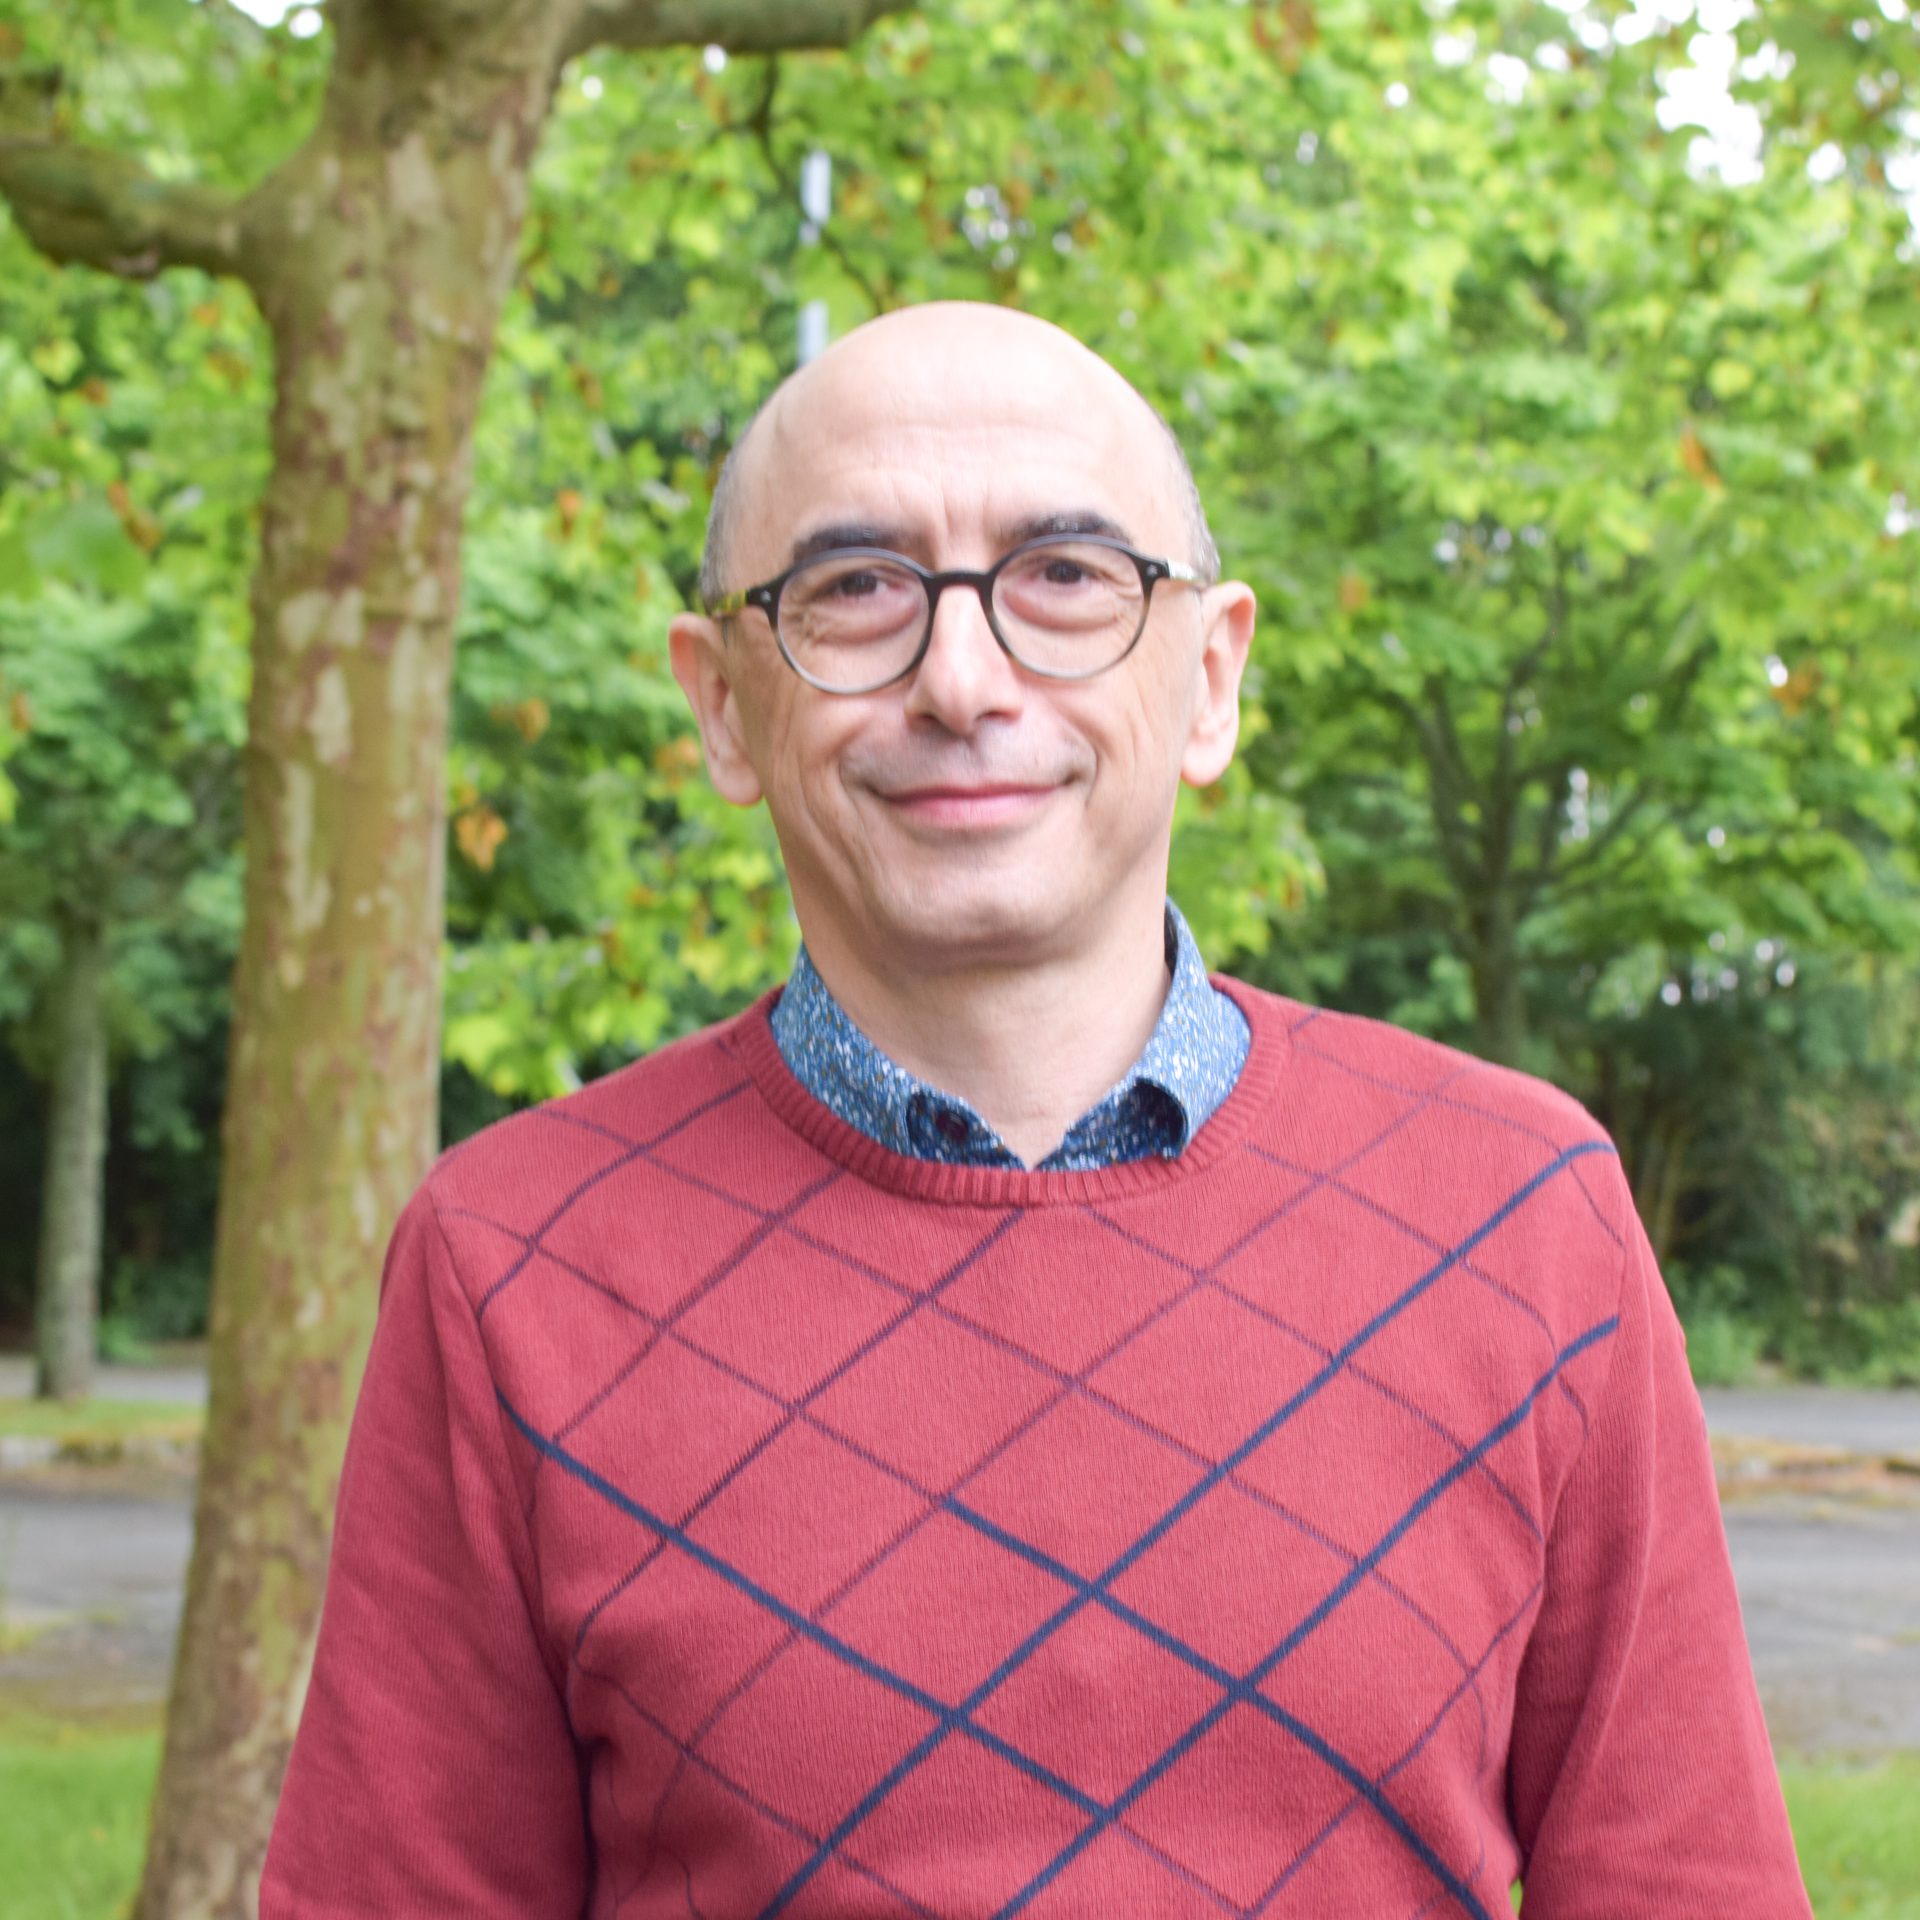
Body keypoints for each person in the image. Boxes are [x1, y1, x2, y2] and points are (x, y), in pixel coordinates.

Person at [263, 302, 1811, 1918]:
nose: (961, 679)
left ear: (1210, 676)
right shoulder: (510, 1262)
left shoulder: (1523, 1214)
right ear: (722, 703)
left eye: (1065, 577)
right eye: (857, 589)